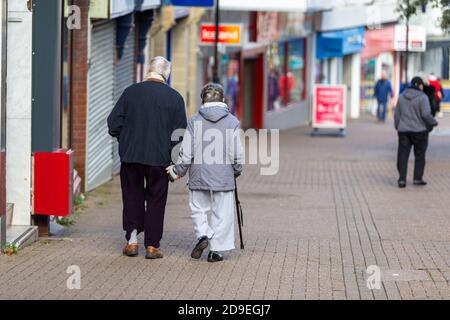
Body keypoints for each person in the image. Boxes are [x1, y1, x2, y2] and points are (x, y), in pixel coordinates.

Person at [107, 56, 187, 259]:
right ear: (166, 75)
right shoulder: (175, 98)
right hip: (159, 159)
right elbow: (179, 134)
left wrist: (125, 139)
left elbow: (113, 123)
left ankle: (132, 241)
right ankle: (152, 246)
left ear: (148, 71)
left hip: (131, 156)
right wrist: (173, 159)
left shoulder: (130, 92)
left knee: (132, 196)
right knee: (156, 200)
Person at [166, 83, 243, 263]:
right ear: (223, 100)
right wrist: (237, 169)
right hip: (223, 174)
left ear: (202, 100)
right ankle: (216, 251)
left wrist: (178, 170)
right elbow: (236, 152)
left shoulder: (194, 121)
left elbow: (186, 150)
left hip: (199, 173)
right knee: (222, 212)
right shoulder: (232, 121)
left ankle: (203, 234)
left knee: (198, 208)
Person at [394, 76, 438, 189]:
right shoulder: (423, 97)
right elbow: (425, 115)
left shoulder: (402, 96)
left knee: (403, 155)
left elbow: (397, 114)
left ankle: (402, 179)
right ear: (419, 85)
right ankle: (417, 178)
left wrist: (398, 126)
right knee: (419, 155)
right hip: (419, 131)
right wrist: (433, 122)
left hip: (404, 131)